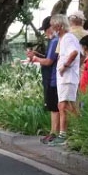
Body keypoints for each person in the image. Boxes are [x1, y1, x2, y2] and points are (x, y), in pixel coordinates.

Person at [28, 16, 59, 144]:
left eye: (46, 29)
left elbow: (49, 61)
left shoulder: (54, 41)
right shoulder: (56, 40)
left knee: (54, 107)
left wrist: (35, 59)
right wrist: (37, 56)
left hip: (52, 78)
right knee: (55, 106)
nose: (46, 32)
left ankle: (54, 133)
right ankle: (53, 132)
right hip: (53, 77)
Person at [52, 14, 81, 146]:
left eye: (54, 26)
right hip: (65, 78)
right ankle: (77, 131)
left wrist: (65, 66)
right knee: (66, 106)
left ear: (59, 26)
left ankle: (65, 134)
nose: (53, 28)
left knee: (64, 106)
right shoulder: (64, 38)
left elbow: (74, 52)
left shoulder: (68, 38)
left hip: (68, 77)